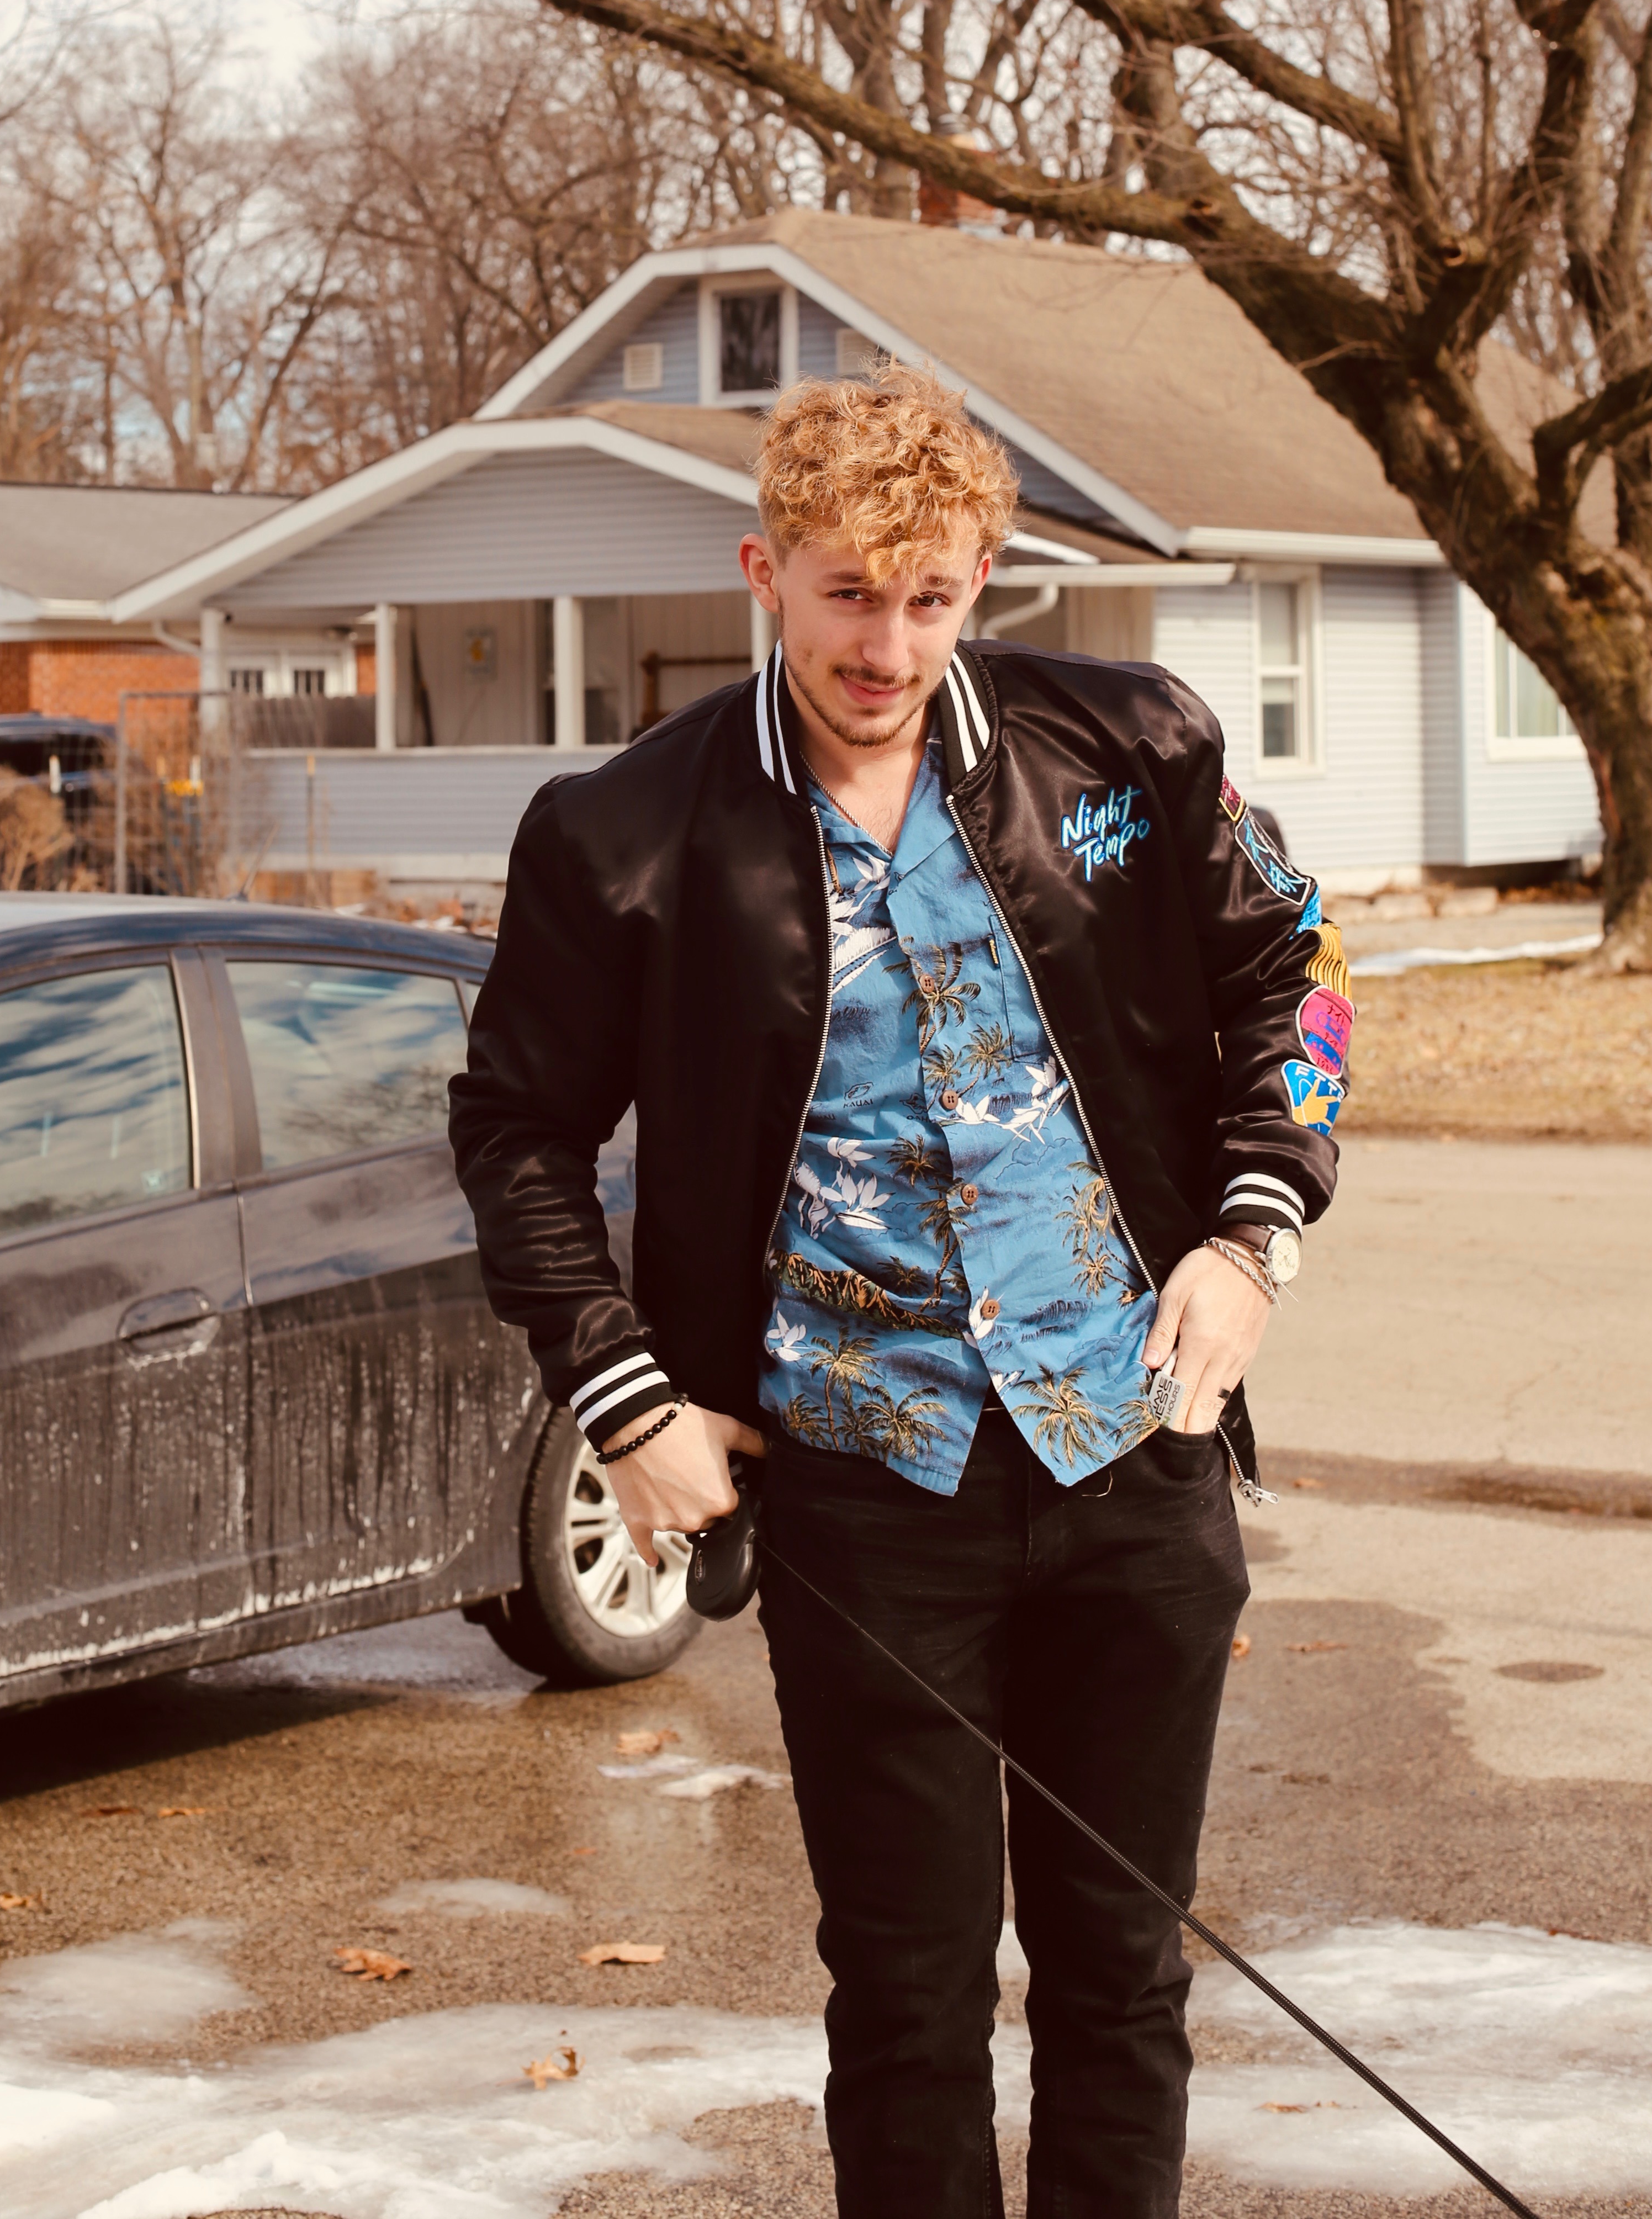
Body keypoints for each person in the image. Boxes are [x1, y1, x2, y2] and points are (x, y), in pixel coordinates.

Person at [449, 362, 1348, 2217]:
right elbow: (516, 1130)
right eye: (847, 592)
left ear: (981, 578)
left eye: (929, 596)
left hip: (1132, 1456)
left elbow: (1303, 982)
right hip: (867, 1495)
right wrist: (622, 1395)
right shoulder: (623, 832)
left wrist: (1248, 1237)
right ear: (763, 570)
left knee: (1124, 1977)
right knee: (910, 2003)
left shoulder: (1128, 746)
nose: (886, 645)